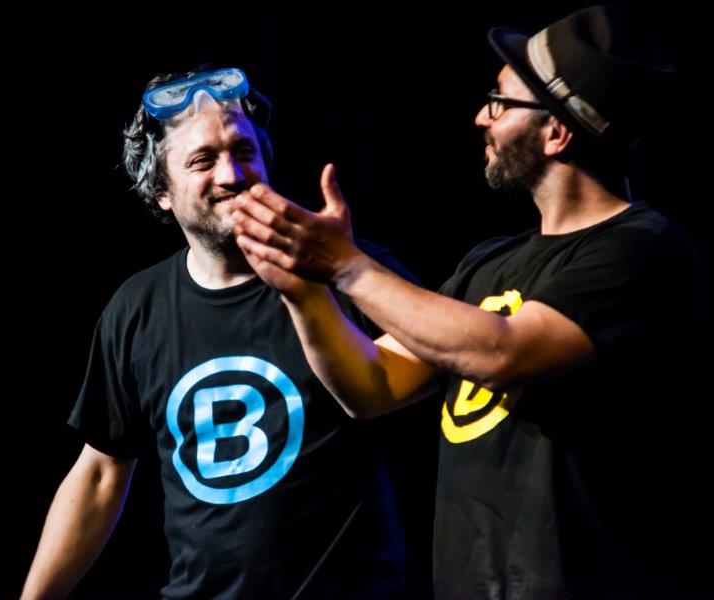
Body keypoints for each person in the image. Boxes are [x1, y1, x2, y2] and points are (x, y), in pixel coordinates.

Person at [228, 6, 707, 598]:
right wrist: (305, 290)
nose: (482, 116)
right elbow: (371, 386)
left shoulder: (643, 251)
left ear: (556, 133)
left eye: (500, 102)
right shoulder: (488, 263)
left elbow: (503, 353)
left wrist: (347, 267)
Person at [21, 66, 410, 599]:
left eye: (244, 152)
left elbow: (443, 377)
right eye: (203, 160)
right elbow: (100, 475)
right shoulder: (136, 309)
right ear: (161, 191)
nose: (232, 174)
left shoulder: (348, 274)